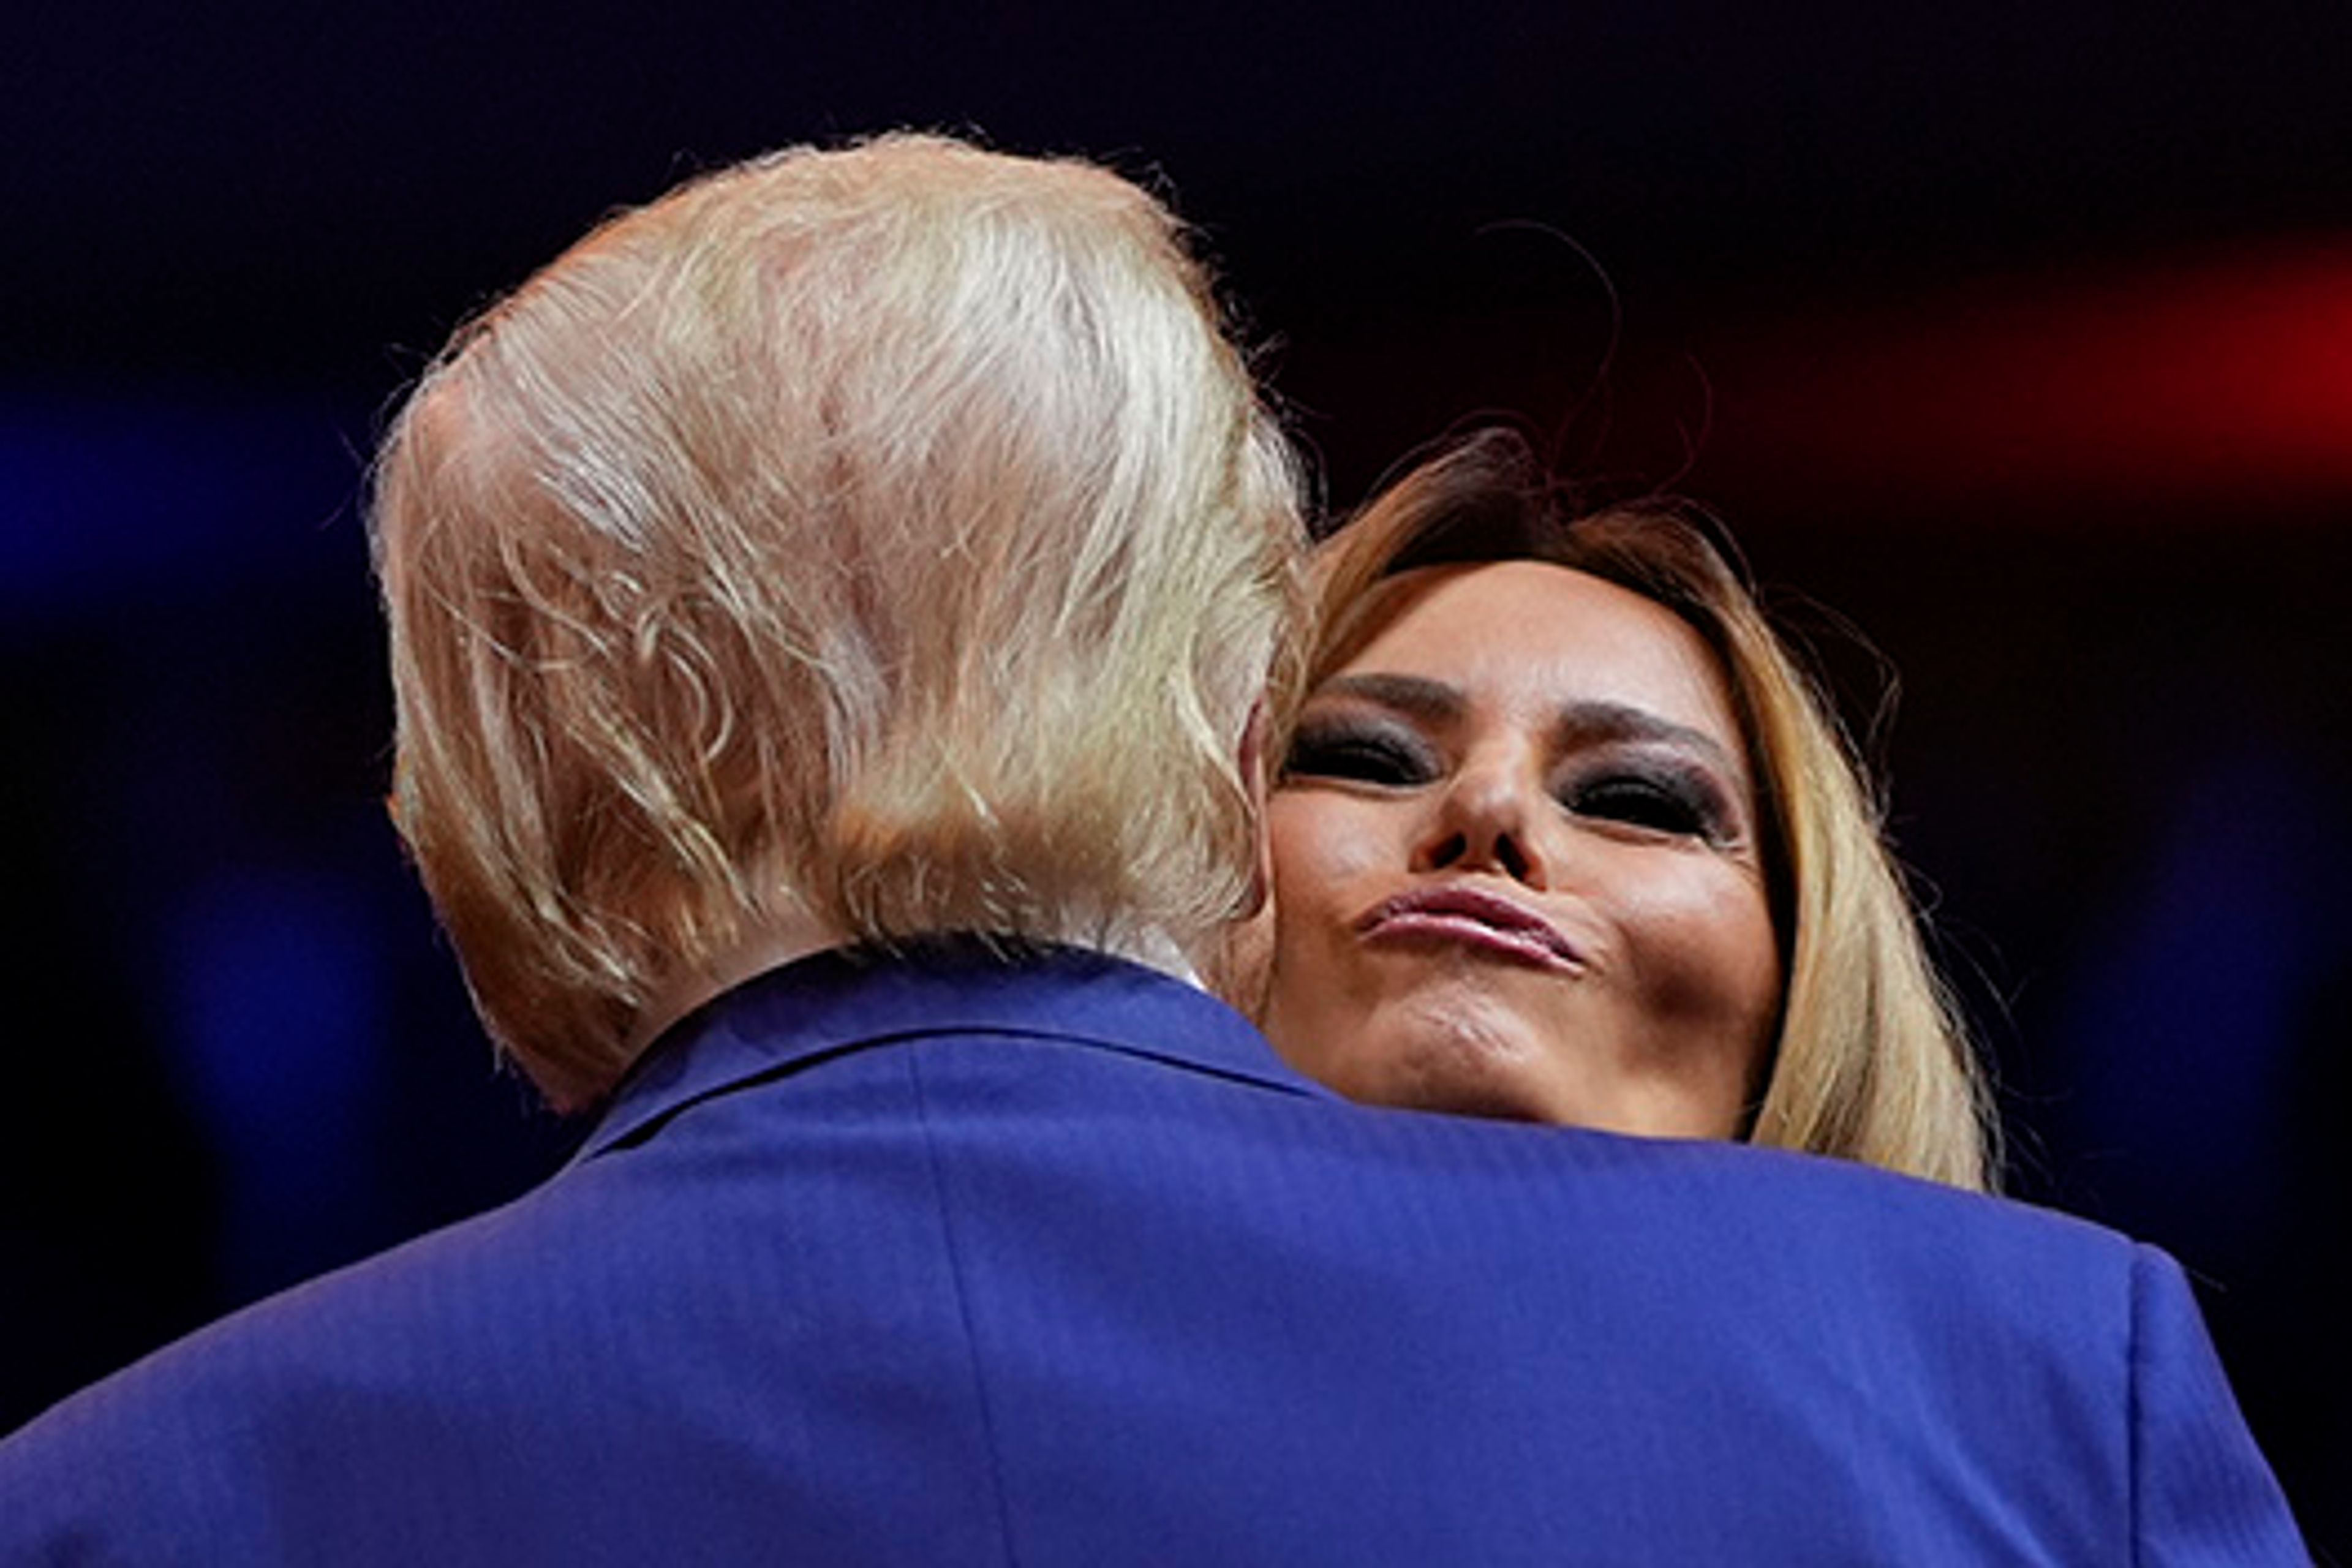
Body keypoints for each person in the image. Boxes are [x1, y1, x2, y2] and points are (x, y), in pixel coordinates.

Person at [0, 136, 2302, 1562]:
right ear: (1211, 779)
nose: (1493, 823)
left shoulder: (130, 1496)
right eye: (1360, 741)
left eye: (1644, 792)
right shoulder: (2027, 1395)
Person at [1232, 428, 1993, 1188]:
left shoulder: (2091, 1302)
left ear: (1804, 975)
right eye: (1363, 759)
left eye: (1638, 799)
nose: (1488, 804)